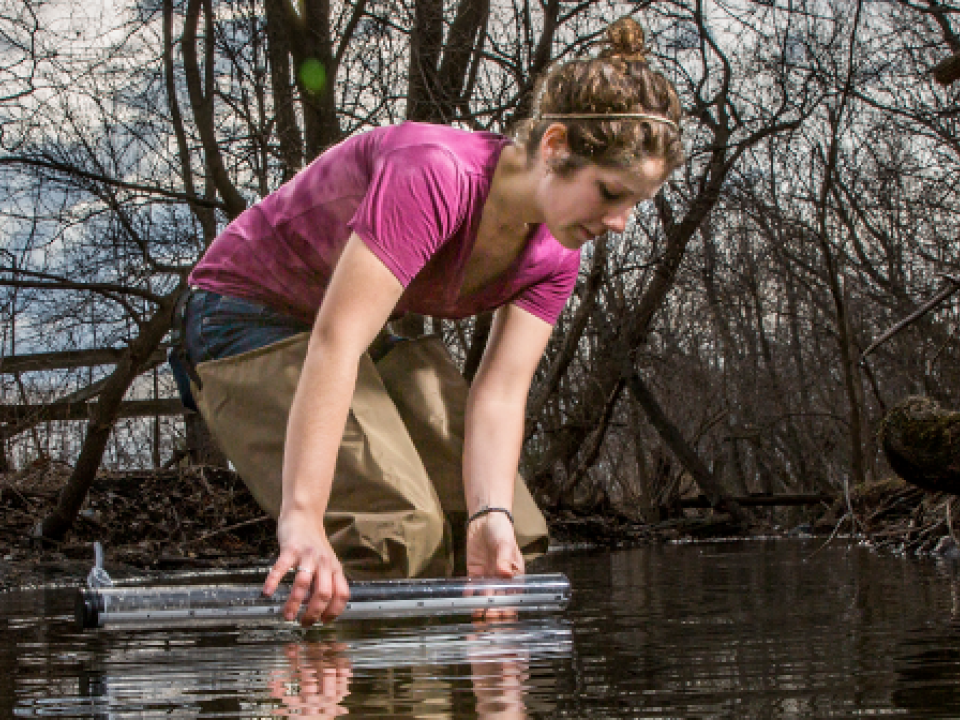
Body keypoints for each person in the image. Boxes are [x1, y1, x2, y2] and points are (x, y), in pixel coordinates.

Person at [170, 15, 684, 627]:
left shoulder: (556, 253)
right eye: (610, 193)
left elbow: (500, 395)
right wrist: (302, 517)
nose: (620, 223)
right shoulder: (434, 174)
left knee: (508, 533)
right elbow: (336, 343)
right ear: (554, 147)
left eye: (635, 205)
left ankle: (476, 671)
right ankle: (337, 666)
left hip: (357, 334)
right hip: (243, 314)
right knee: (396, 530)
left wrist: (490, 516)